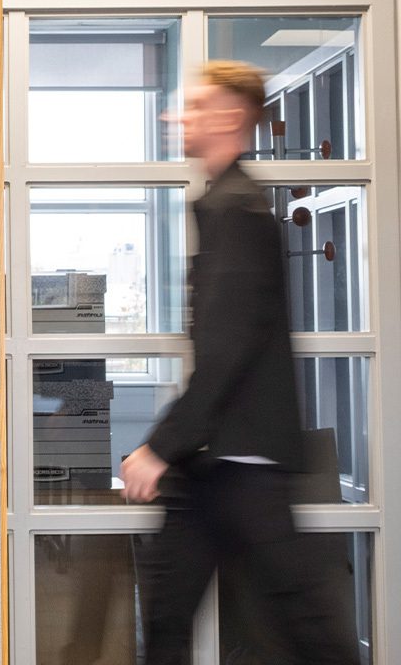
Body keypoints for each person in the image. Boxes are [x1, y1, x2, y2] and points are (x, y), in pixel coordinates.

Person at [120, 61, 356, 665]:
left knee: (305, 625)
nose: (179, 116)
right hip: (214, 466)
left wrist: (159, 447)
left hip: (241, 464)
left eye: (194, 107)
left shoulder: (237, 210)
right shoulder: (226, 203)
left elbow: (226, 349)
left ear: (229, 118)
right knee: (169, 619)